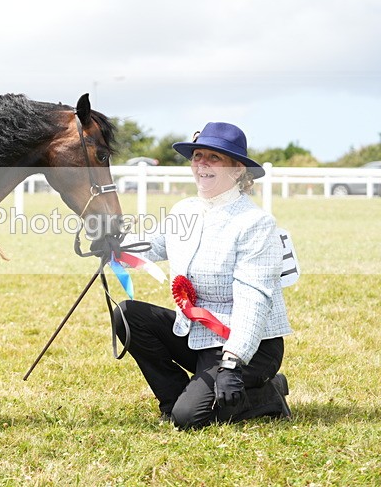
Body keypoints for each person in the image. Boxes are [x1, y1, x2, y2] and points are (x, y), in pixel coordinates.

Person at [113, 122, 293, 430]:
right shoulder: (185, 209)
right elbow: (155, 244)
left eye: (214, 158)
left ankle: (269, 392)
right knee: (128, 316)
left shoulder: (256, 223)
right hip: (198, 335)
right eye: (198, 155)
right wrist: (115, 246)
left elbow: (254, 300)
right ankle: (172, 400)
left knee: (191, 419)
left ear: (237, 170)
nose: (202, 164)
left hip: (248, 345)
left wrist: (233, 363)